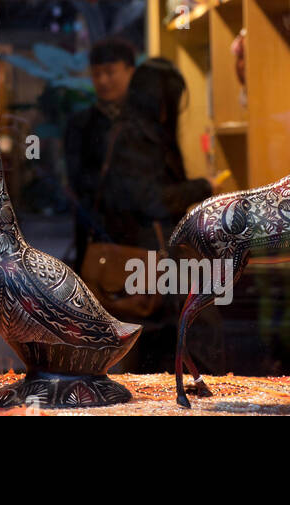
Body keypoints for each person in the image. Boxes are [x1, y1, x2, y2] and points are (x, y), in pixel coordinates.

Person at [96, 57, 214, 371]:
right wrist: (202, 187)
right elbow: (152, 201)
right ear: (162, 101)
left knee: (157, 351)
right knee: (160, 352)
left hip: (148, 264)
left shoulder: (132, 132)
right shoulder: (139, 137)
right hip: (148, 264)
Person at [64, 38, 136, 270]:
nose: (103, 81)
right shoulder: (80, 123)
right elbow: (77, 178)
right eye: (96, 74)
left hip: (138, 233)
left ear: (130, 72)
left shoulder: (145, 120)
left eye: (110, 72)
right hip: (96, 230)